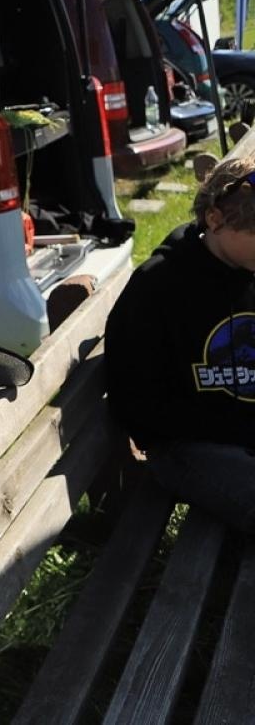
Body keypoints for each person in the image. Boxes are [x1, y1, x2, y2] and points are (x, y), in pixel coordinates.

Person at [105, 153, 255, 534]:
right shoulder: (159, 287)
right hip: (185, 448)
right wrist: (238, 429)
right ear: (215, 219)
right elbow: (136, 406)